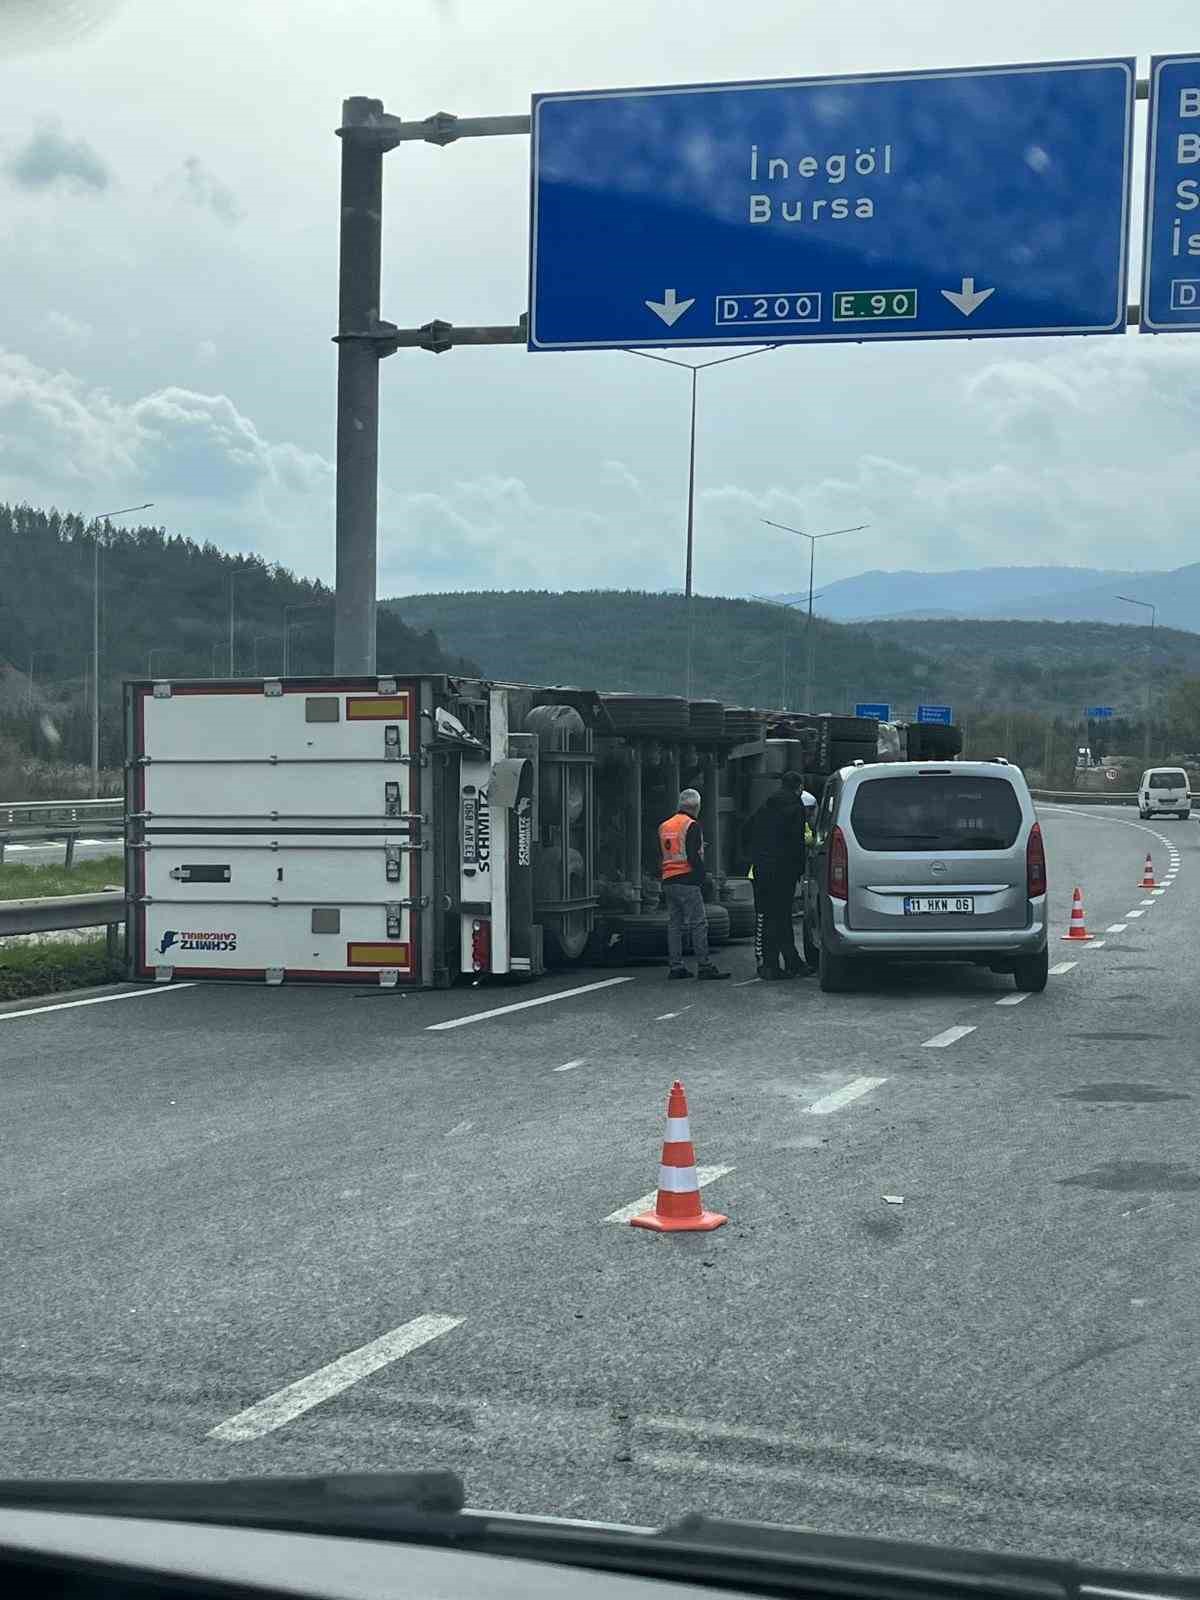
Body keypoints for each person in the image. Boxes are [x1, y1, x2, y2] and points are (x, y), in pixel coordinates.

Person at [658, 788, 729, 981]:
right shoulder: (692, 825)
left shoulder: (665, 825)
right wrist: (702, 878)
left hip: (668, 880)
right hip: (687, 880)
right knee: (699, 923)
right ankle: (704, 965)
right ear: (696, 807)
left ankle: (676, 966)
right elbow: (693, 856)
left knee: (675, 924)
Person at [748, 770, 812, 980]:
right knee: (783, 916)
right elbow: (797, 842)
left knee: (767, 917)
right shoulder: (796, 807)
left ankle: (771, 964)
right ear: (799, 787)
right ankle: (789, 963)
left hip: (763, 870)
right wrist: (799, 870)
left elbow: (747, 830)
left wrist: (756, 856)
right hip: (784, 871)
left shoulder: (766, 806)